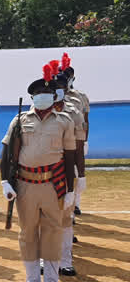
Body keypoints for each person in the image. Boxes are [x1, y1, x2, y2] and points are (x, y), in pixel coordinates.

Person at [1, 64, 76, 282]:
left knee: (53, 231)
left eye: (48, 93)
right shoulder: (20, 120)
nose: (43, 97)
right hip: (25, 185)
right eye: (39, 94)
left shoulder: (64, 121)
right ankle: (32, 280)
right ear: (33, 97)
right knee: (28, 232)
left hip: (53, 184)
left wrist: (71, 188)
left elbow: (70, 156)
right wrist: (5, 181)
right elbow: (7, 153)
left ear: (54, 97)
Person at [48, 62, 86, 277]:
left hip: (64, 171)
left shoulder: (73, 112)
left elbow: (77, 147)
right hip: (40, 174)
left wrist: (80, 175)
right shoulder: (32, 114)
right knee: (43, 221)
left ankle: (65, 260)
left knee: (64, 219)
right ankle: (46, 260)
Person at [60, 53, 89, 214]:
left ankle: (75, 203)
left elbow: (85, 120)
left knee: (76, 172)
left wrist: (84, 141)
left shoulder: (80, 97)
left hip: (76, 138)